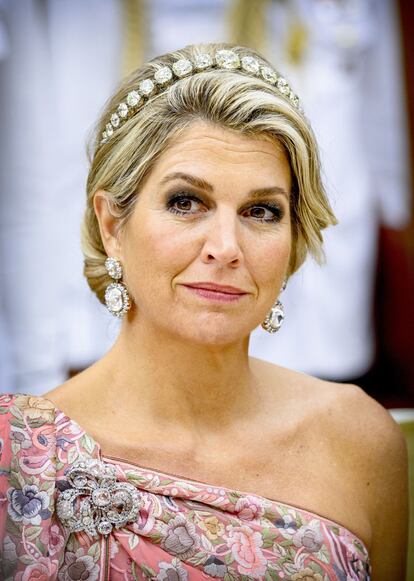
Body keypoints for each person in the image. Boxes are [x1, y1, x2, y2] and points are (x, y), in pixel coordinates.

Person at [0, 43, 408, 580]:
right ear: (111, 225)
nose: (226, 246)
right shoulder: (18, 460)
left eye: (261, 211)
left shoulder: (359, 440)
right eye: (185, 202)